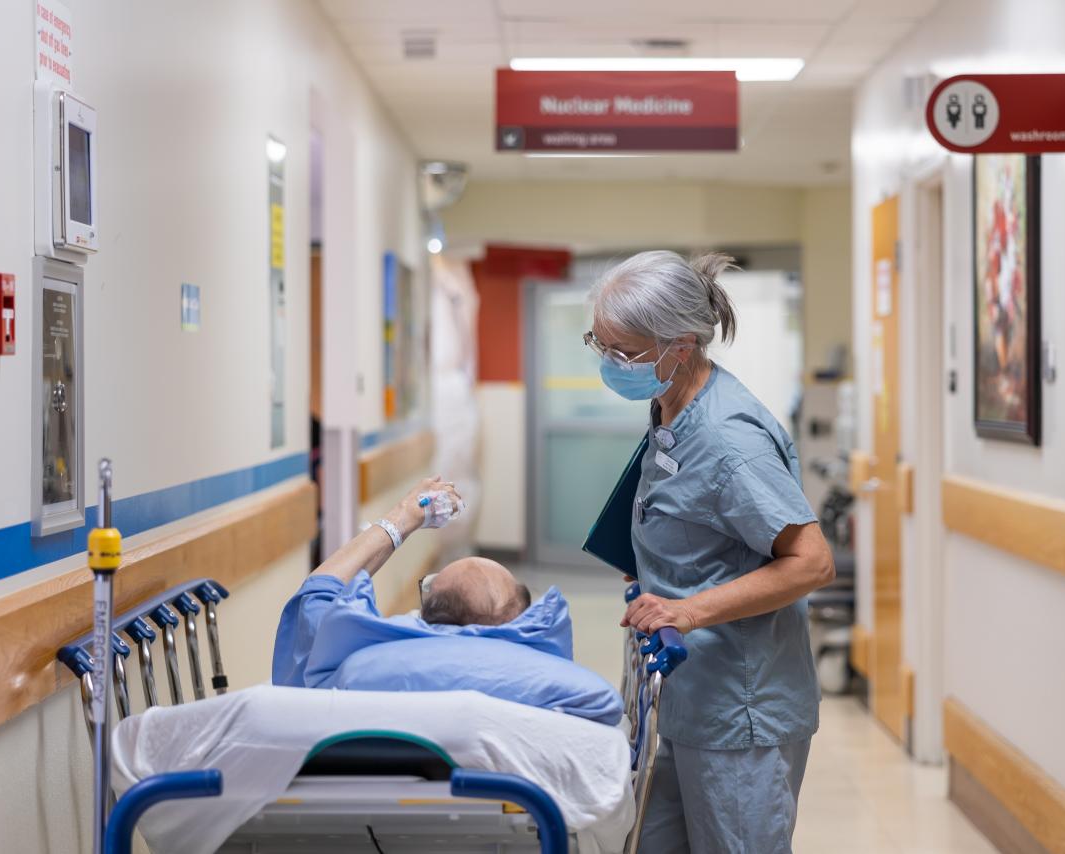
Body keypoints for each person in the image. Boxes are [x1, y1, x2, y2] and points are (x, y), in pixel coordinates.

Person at [586, 250, 835, 853]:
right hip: (686, 694)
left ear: (682, 344)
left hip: (740, 710)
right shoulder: (671, 404)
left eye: (625, 353)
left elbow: (811, 561)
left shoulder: (728, 439)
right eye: (600, 344)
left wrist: (687, 610)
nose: (611, 363)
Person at [271, 476, 623, 724]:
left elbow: (319, 589)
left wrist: (403, 517)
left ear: (425, 616)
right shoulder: (564, 689)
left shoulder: (352, 670)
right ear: (522, 620)